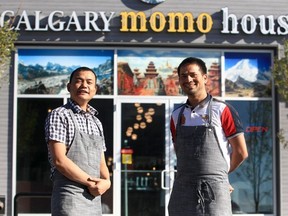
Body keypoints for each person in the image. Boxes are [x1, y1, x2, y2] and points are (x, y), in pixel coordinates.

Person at [168, 57, 248, 216]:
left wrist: (222, 176)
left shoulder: (222, 110)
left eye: (193, 74)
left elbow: (241, 152)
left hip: (214, 193)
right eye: (183, 76)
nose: (188, 79)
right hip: (182, 192)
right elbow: (180, 152)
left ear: (204, 78)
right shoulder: (176, 116)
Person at [45, 67, 111, 216]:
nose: (84, 86)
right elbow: (59, 160)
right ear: (69, 87)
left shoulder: (96, 122)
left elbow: (101, 163)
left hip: (94, 201)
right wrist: (90, 183)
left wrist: (107, 181)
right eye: (79, 81)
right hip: (69, 198)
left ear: (95, 89)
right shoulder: (59, 115)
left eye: (89, 82)